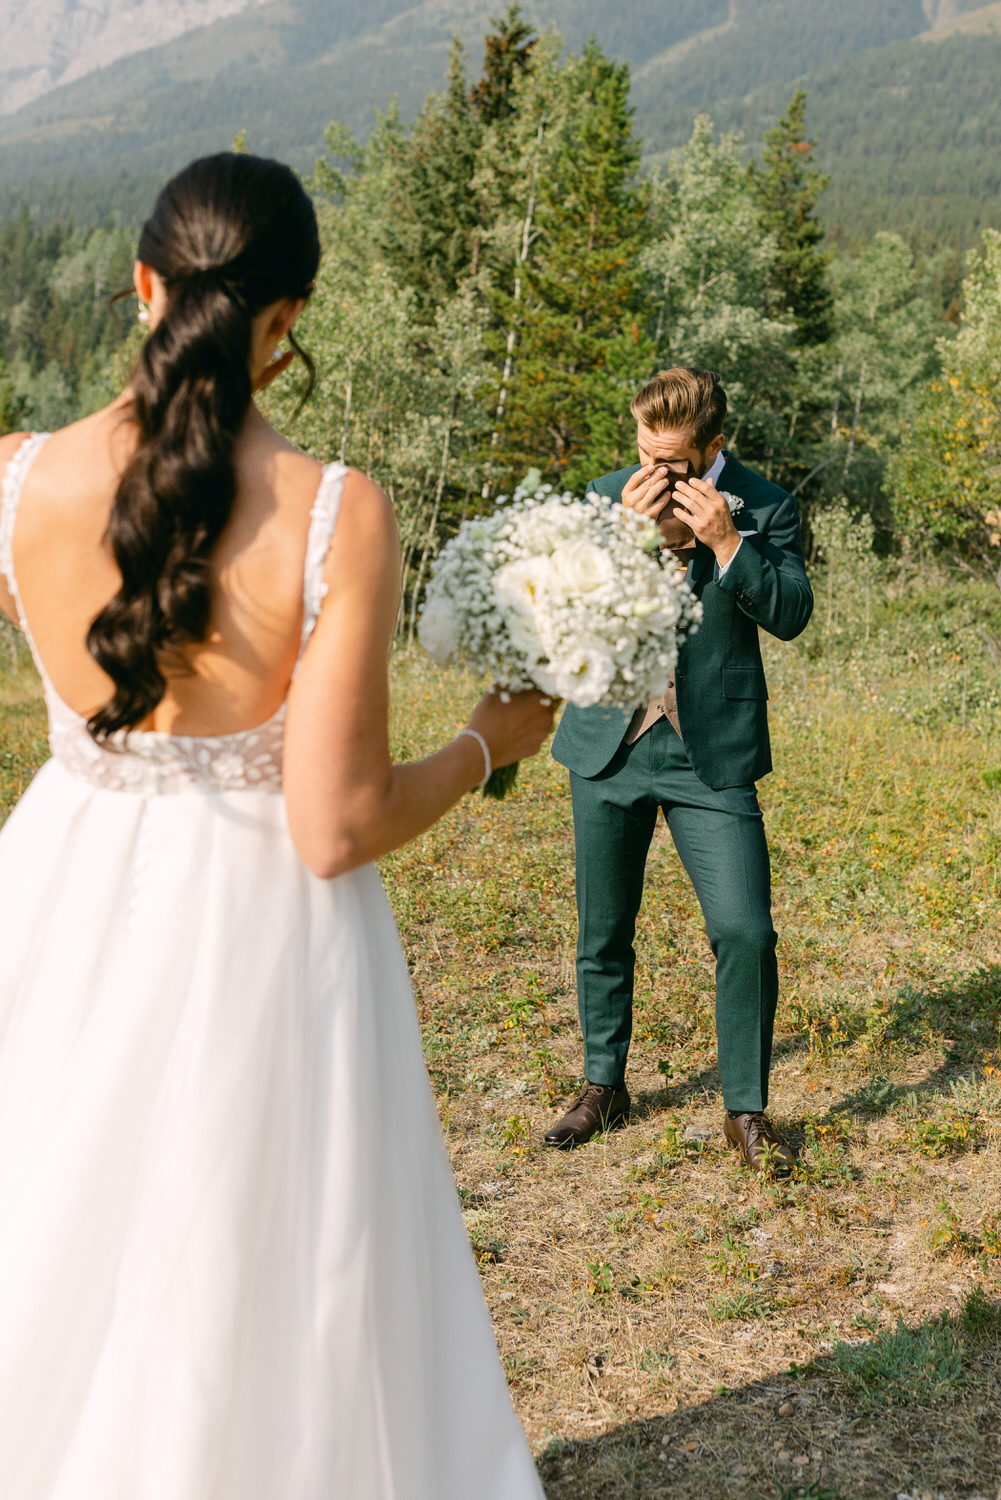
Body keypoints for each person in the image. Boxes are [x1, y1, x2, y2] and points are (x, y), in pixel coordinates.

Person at [0, 152, 554, 1500]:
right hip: (260, 936)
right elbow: (333, 826)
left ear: (143, 285)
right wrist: (489, 741)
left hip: (62, 888)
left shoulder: (14, 477)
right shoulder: (329, 511)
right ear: (287, 320)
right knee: (257, 1254)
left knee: (56, 1211)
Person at [546, 368, 813, 1169]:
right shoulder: (603, 498)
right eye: (644, 455)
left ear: (714, 447)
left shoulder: (765, 505)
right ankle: (602, 1083)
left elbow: (792, 614)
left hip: (712, 754)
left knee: (745, 931)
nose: (656, 476)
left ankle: (745, 1110)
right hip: (609, 744)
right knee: (603, 929)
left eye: (675, 463)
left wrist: (729, 543)